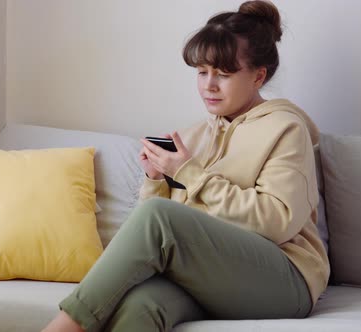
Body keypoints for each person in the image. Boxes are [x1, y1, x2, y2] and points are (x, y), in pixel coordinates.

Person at [43, 1, 330, 331]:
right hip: (214, 273)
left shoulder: (285, 129)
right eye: (202, 72)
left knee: (158, 217)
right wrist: (155, 181)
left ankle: (63, 327)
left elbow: (276, 222)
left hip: (286, 281)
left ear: (258, 76)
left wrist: (190, 174)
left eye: (223, 74)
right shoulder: (193, 137)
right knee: (142, 305)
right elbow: (165, 238)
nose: (209, 85)